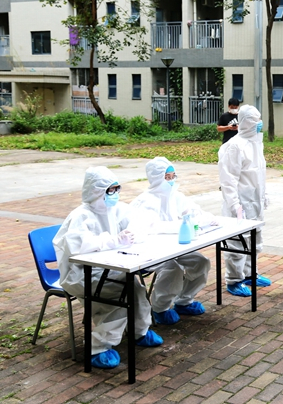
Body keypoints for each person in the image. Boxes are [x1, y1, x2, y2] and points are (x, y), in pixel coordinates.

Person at [53, 167, 162, 369]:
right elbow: (78, 247)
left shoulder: (114, 210)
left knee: (136, 288)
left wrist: (134, 233)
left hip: (109, 268)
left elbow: (139, 221)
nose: (115, 194)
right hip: (82, 274)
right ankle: (97, 347)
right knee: (121, 294)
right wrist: (112, 241)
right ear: (96, 190)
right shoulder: (81, 216)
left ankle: (139, 331)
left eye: (117, 188)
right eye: (111, 190)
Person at [130, 157, 213, 323]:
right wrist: (180, 225)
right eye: (167, 177)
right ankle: (159, 309)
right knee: (173, 269)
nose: (171, 180)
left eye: (173, 176)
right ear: (156, 178)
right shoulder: (145, 201)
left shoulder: (175, 196)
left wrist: (206, 218)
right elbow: (152, 228)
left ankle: (184, 301)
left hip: (175, 247)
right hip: (152, 251)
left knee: (201, 262)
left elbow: (193, 210)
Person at [218, 105, 272, 296]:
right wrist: (235, 205)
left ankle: (250, 273)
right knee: (237, 243)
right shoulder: (234, 146)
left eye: (259, 119)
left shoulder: (256, 143)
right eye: (255, 120)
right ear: (246, 122)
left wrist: (264, 195)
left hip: (255, 202)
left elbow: (260, 173)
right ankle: (234, 280)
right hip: (240, 203)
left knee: (255, 240)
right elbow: (228, 180)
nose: (259, 123)